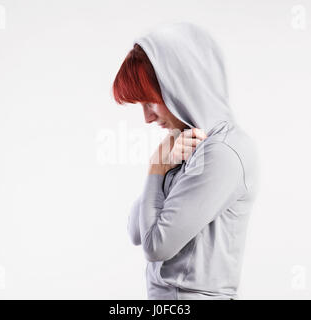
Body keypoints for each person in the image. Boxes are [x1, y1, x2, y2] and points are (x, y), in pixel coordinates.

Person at [112, 22, 260, 300]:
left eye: (151, 101)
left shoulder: (224, 151)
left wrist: (157, 168)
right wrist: (161, 169)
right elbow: (135, 230)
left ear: (181, 86)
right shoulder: (186, 143)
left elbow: (155, 246)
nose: (147, 117)